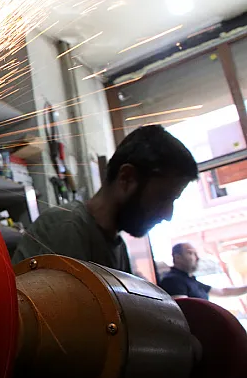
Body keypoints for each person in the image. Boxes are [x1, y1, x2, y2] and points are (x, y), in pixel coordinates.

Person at [12, 125, 198, 273]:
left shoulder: (117, 246)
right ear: (126, 178)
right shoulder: (66, 228)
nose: (168, 214)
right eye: (163, 198)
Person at [159, 243, 247, 300]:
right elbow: (184, 312)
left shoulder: (189, 280)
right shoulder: (173, 280)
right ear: (177, 257)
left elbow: (223, 292)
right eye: (191, 253)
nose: (197, 258)